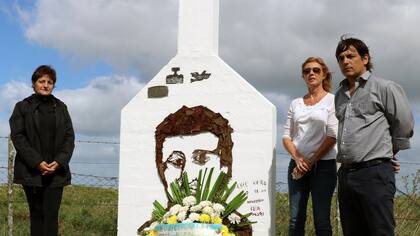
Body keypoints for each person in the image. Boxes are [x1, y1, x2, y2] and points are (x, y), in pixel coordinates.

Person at [334, 36, 414, 236]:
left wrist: (389, 152)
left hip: (374, 173)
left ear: (365, 58)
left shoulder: (385, 87)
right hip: (345, 175)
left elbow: (403, 123)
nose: (345, 61)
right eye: (341, 58)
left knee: (380, 231)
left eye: (351, 56)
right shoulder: (339, 95)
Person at [9, 65, 75, 236]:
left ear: (54, 85)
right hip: (32, 172)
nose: (46, 85)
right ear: (34, 83)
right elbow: (18, 136)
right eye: (41, 81)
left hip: (56, 172)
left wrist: (59, 161)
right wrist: (37, 162)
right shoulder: (22, 107)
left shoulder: (61, 108)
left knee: (51, 216)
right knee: (37, 216)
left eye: (50, 82)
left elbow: (69, 138)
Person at [282, 57, 338, 236]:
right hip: (297, 166)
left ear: (324, 75)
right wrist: (298, 159)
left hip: (324, 166)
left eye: (316, 70)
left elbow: (332, 135)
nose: (311, 73)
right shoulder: (295, 103)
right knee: (295, 220)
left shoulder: (332, 101)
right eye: (307, 71)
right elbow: (286, 136)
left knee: (321, 221)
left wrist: (311, 161)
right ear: (303, 76)